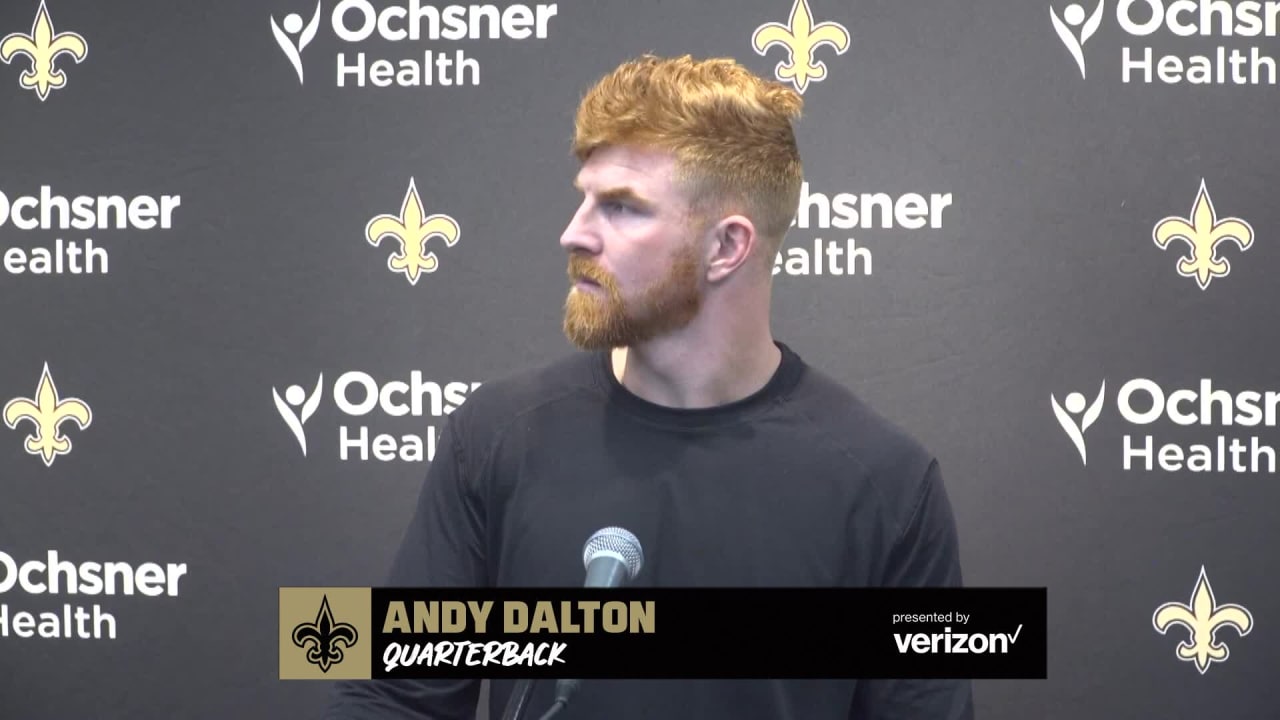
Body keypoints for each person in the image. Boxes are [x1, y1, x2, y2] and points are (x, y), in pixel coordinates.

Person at [323, 53, 972, 720]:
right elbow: (396, 696)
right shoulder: (497, 436)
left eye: (623, 208)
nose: (574, 233)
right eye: (585, 198)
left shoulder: (887, 485)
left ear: (727, 247)